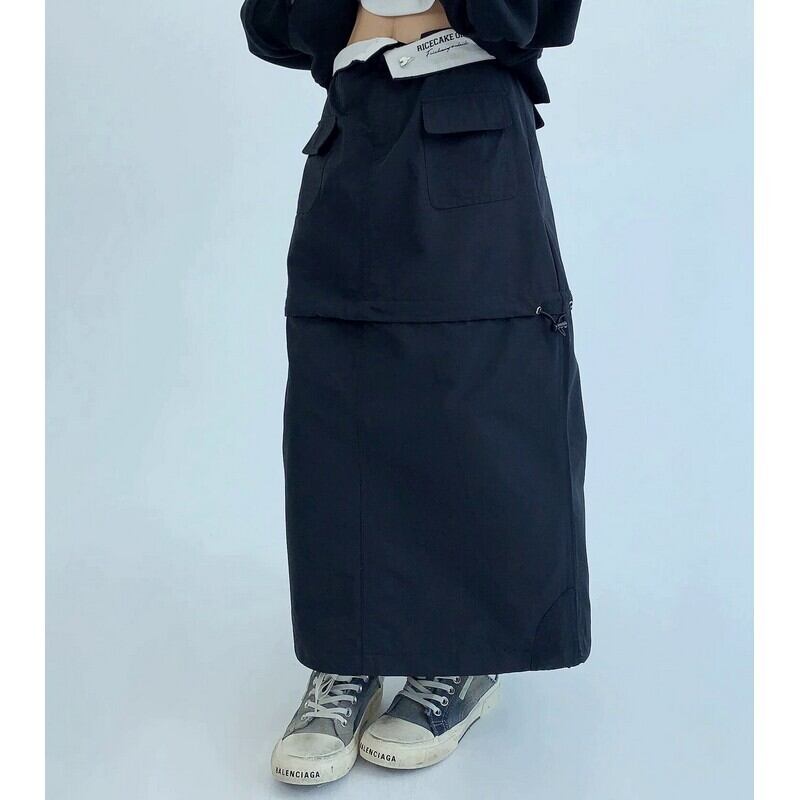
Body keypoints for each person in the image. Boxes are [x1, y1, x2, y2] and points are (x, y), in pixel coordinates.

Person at [240, 0, 590, 785]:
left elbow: (535, 19)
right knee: (336, 402)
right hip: (353, 127)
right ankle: (346, 656)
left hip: (472, 125)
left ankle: (462, 660)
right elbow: (267, 26)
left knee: (474, 401)